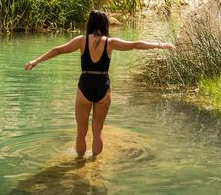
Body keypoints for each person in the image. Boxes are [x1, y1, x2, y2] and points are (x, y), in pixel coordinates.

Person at [24, 10, 174, 158]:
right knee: (97, 130)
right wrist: (160, 45)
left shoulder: (81, 40)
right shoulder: (111, 42)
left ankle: (79, 161)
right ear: (105, 24)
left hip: (85, 84)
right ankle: (95, 161)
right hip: (103, 85)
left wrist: (36, 61)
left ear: (90, 23)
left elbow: (58, 50)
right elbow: (135, 44)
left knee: (81, 130)